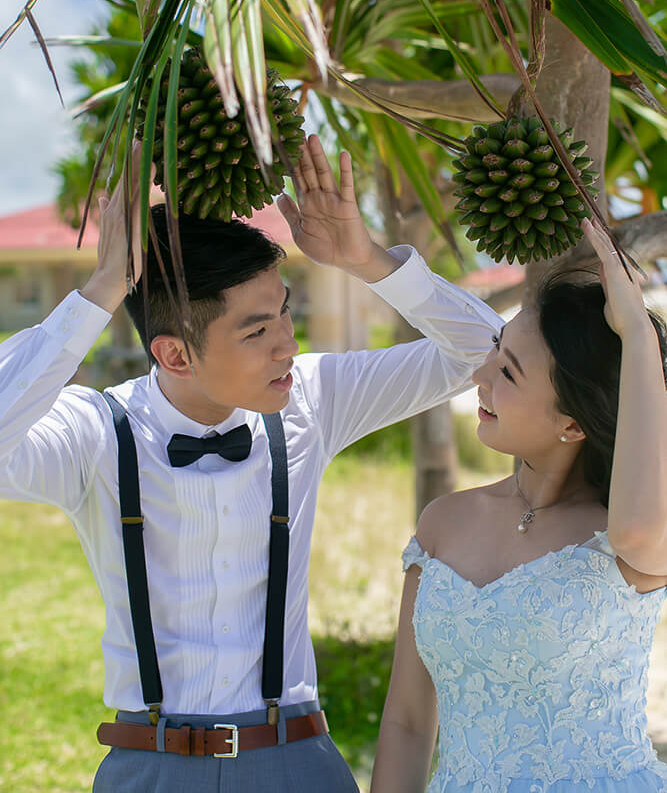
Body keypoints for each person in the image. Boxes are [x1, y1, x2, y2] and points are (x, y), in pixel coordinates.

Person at [0, 134, 502, 793]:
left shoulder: (312, 401)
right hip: (147, 766)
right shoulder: (96, 432)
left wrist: (366, 259)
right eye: (258, 330)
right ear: (175, 355)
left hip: (294, 757)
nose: (288, 346)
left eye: (286, 316)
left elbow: (486, 352)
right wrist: (100, 289)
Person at [370, 215, 667, 793]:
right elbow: (407, 722)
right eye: (494, 351)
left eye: (507, 371)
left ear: (573, 423)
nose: (479, 374)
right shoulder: (443, 523)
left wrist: (637, 335)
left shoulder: (631, 541)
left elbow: (640, 527)